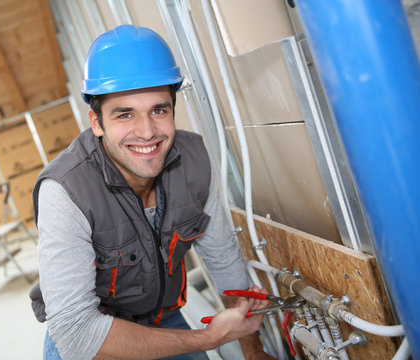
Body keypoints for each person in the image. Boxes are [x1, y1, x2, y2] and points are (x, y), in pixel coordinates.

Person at [30, 24, 275, 360]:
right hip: (93, 339)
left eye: (159, 110)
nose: (147, 132)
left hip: (163, 321)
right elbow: (77, 333)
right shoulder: (65, 191)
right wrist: (207, 339)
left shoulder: (194, 160)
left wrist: (253, 351)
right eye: (125, 114)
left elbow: (223, 257)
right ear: (97, 122)